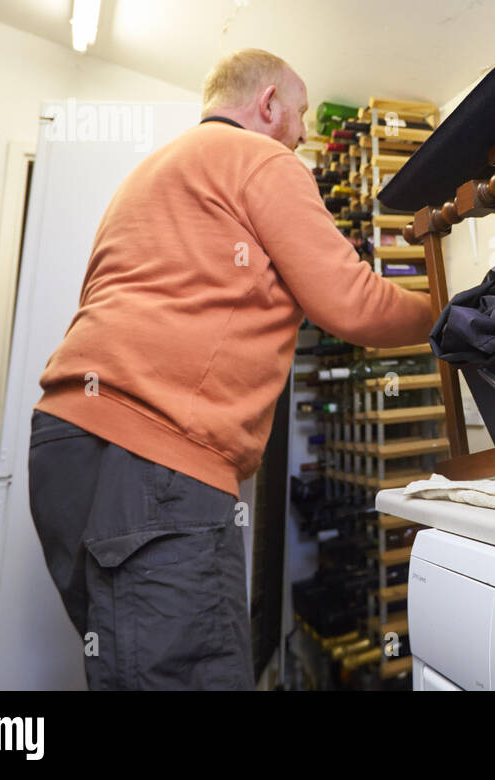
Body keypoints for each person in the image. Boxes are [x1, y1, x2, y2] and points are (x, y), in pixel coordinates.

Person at [27, 49, 432, 689]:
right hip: (159, 462)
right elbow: (349, 303)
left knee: (128, 671)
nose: (302, 136)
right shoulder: (262, 158)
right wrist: (446, 317)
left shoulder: (147, 174)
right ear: (268, 104)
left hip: (62, 447)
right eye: (299, 116)